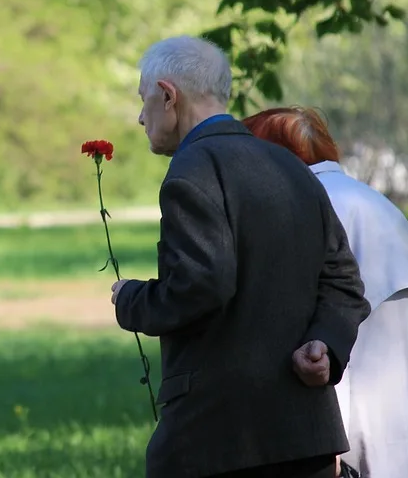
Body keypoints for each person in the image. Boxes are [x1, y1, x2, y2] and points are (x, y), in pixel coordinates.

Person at [110, 36, 371, 478]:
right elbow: (344, 280)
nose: (140, 116)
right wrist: (324, 342)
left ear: (168, 95)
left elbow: (203, 282)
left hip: (219, 439)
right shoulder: (291, 166)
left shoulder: (192, 170)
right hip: (307, 436)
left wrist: (130, 300)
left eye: (144, 99)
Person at [243, 106, 408, 478]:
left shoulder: (304, 206)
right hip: (399, 404)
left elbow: (309, 331)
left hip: (338, 424)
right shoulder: (379, 204)